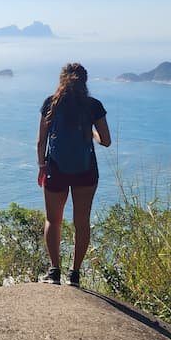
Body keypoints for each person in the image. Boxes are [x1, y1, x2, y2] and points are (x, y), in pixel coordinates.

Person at [36, 62, 111, 286]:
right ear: (85, 82)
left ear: (61, 80)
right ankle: (75, 275)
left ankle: (54, 272)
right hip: (86, 171)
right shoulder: (93, 106)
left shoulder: (51, 103)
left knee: (52, 220)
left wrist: (42, 167)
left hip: (55, 169)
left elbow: (41, 142)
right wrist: (92, 133)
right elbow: (106, 141)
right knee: (82, 222)